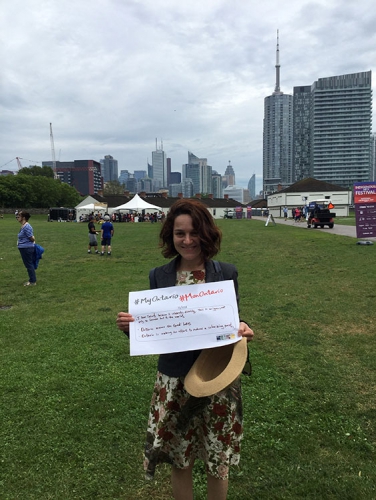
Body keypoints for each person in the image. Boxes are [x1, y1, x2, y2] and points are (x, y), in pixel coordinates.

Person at [116, 199, 254, 500]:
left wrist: (243, 328)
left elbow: (233, 320)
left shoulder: (225, 273)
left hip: (216, 378)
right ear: (170, 235)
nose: (188, 240)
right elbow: (157, 330)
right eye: (180, 233)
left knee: (217, 459)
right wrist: (133, 329)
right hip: (174, 380)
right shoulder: (159, 276)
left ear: (207, 234)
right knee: (180, 458)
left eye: (194, 233)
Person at [17, 210, 37, 286]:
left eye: (19, 215)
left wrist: (33, 239)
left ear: (24, 217)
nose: (17, 217)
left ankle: (32, 281)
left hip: (27, 248)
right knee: (28, 264)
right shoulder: (23, 226)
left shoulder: (27, 226)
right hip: (23, 248)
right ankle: (32, 280)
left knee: (29, 264)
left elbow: (31, 238)